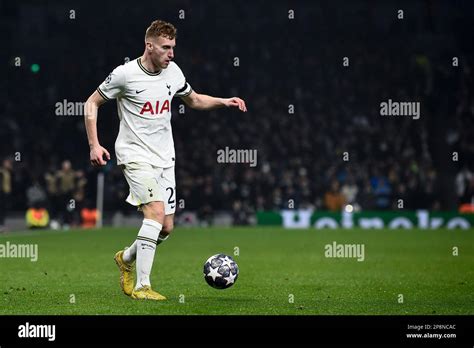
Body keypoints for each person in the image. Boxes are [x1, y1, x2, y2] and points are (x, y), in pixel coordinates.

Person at [84, 20, 247, 300]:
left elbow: (194, 100)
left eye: (173, 47)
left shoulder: (173, 72)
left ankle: (126, 258)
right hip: (134, 154)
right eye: (165, 48)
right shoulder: (125, 74)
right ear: (149, 46)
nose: (171, 53)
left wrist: (224, 101)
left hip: (165, 158)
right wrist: (95, 145)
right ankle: (142, 287)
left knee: (166, 227)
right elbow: (91, 103)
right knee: (155, 214)